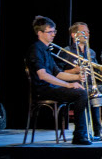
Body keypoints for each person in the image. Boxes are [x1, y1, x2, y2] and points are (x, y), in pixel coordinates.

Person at [25, 16, 91, 145]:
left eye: (54, 31)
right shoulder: (36, 49)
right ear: (40, 33)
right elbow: (43, 75)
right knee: (80, 94)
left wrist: (77, 78)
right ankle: (79, 135)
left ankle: (83, 133)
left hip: (50, 87)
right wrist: (68, 85)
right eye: (50, 32)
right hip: (43, 89)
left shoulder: (47, 50)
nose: (53, 35)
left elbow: (58, 73)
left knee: (81, 90)